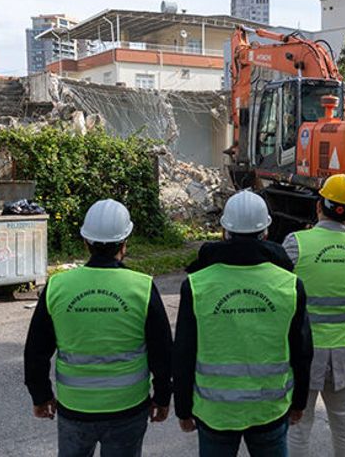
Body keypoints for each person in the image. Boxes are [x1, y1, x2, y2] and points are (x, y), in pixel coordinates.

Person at [24, 199, 172, 457]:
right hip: (127, 407)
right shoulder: (142, 287)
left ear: (86, 242)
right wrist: (162, 397)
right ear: (125, 242)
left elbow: (36, 351)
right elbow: (163, 353)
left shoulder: (58, 287)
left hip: (75, 407)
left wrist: (41, 396)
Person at [173, 190, 314, 457]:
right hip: (270, 410)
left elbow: (183, 352)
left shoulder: (196, 285)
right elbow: (302, 351)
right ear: (265, 233)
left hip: (215, 412)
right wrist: (299, 403)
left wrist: (182, 408)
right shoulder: (290, 285)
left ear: (224, 232)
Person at [285, 174, 345, 457]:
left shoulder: (296, 243)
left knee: (299, 425)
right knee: (344, 424)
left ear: (319, 205)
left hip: (305, 351)